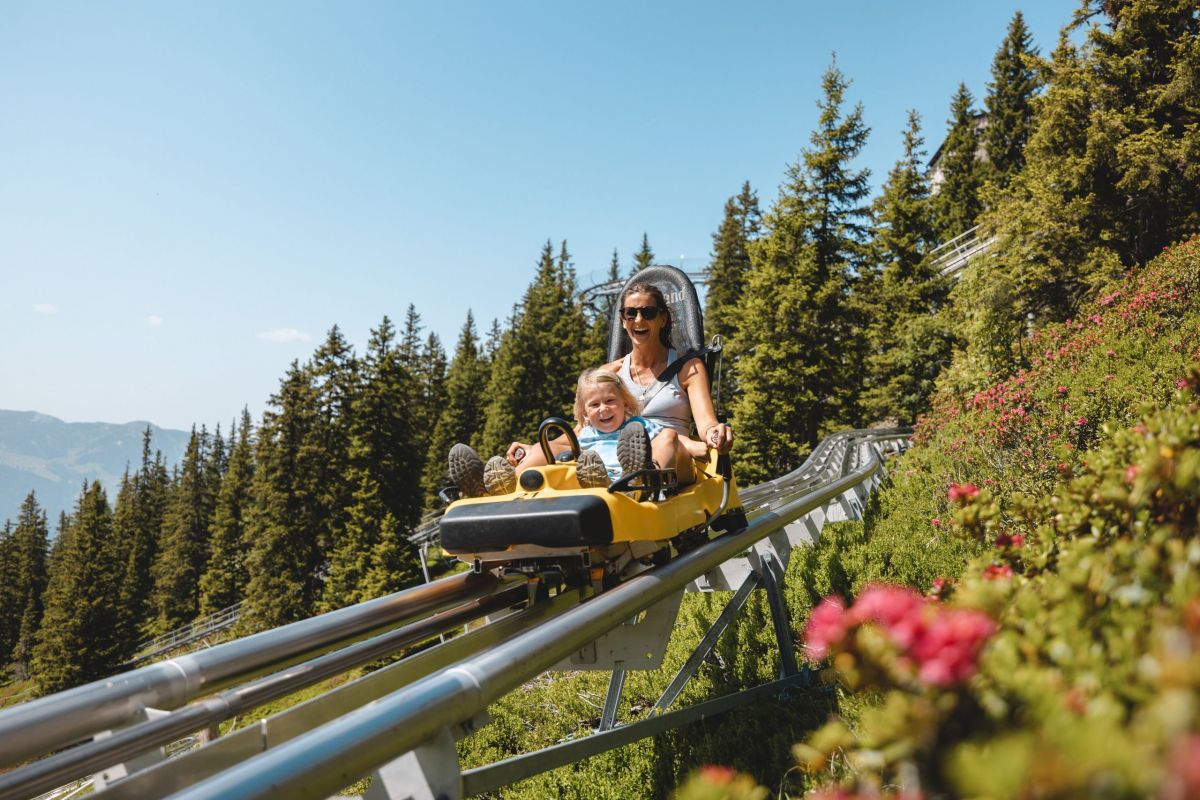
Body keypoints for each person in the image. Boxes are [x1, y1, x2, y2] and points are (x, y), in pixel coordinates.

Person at [505, 281, 733, 475]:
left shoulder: (688, 368)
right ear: (623, 321)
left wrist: (716, 435)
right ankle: (500, 494)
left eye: (648, 313)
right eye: (630, 313)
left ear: (662, 319)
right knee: (540, 454)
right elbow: (582, 433)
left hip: (675, 457)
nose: (638, 320)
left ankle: (640, 484)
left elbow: (707, 424)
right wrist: (539, 447)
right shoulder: (608, 374)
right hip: (610, 454)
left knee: (666, 440)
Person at [448, 368, 686, 497]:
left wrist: (707, 446)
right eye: (594, 405)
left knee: (667, 437)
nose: (603, 409)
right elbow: (560, 449)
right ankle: (496, 490)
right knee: (553, 450)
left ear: (625, 402)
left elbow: (674, 441)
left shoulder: (638, 426)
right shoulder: (586, 435)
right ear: (584, 412)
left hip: (629, 483)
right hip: (590, 480)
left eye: (610, 401)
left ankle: (641, 482)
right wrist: (534, 450)